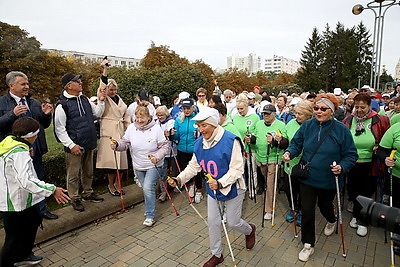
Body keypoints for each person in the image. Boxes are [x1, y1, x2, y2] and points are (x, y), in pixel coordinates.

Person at [167, 107, 256, 267]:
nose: (200, 130)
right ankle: (217, 254)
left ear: (213, 124)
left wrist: (221, 182)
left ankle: (249, 230)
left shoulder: (231, 140)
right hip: (214, 189)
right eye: (199, 126)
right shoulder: (200, 143)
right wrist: (178, 179)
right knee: (213, 222)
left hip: (233, 187)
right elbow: (194, 166)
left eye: (204, 126)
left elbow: (237, 168)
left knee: (233, 222)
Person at [282, 93, 358, 262]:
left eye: (323, 109)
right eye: (316, 107)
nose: (318, 111)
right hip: (307, 177)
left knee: (325, 207)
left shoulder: (341, 129)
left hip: (329, 179)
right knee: (307, 210)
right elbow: (296, 143)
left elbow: (351, 155)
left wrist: (342, 167)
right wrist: (289, 152)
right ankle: (308, 244)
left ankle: (331, 220)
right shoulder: (308, 125)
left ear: (332, 111)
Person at [0, 117, 70, 267]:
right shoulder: (19, 152)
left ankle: (23, 255)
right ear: (31, 135)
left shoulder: (13, 143)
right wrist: (52, 190)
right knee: (12, 238)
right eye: (37, 133)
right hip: (14, 203)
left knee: (33, 220)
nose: (37, 136)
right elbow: (26, 181)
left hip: (24, 200)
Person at [0, 71, 58, 220]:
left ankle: (42, 210)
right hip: (16, 152)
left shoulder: (33, 102)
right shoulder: (2, 103)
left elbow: (43, 126)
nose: (27, 87)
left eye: (27, 83)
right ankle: (24, 212)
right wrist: (12, 114)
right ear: (11, 85)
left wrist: (46, 115)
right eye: (23, 84)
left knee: (37, 178)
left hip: (35, 149)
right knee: (21, 181)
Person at [54, 72, 106, 212]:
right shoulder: (62, 105)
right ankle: (74, 198)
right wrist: (71, 145)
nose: (81, 83)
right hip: (75, 146)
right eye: (77, 81)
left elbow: (97, 113)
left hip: (88, 142)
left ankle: (88, 193)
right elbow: (60, 129)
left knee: (88, 171)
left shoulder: (84, 99)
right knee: (73, 174)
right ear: (69, 86)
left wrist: (101, 100)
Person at [111, 102, 168, 226]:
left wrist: (156, 157)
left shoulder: (156, 129)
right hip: (138, 165)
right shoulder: (132, 128)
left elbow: (164, 147)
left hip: (153, 164)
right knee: (145, 189)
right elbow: (125, 143)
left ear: (148, 117)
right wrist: (116, 145)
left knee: (148, 188)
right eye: (137, 117)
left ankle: (150, 215)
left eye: (142, 117)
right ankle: (149, 207)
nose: (139, 120)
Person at [342, 93, 389, 236]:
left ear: (369, 105)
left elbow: (388, 140)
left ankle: (363, 220)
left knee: (367, 191)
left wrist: (380, 146)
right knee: (354, 190)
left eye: (363, 107)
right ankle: (356, 215)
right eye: (357, 107)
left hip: (371, 162)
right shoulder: (348, 119)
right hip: (352, 162)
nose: (359, 110)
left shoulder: (380, 120)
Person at [95, 60, 131, 196]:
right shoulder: (104, 98)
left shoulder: (120, 99)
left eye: (115, 89)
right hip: (109, 132)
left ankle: (118, 183)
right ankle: (110, 185)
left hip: (120, 132)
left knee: (122, 163)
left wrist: (131, 131)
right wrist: (105, 70)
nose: (113, 92)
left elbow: (126, 116)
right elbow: (102, 86)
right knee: (111, 164)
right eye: (111, 89)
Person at [279, 100, 314, 226]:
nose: (297, 116)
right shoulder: (290, 123)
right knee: (290, 190)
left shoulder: (313, 125)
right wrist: (281, 140)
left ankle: (304, 211)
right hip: (290, 163)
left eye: (300, 114)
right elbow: (286, 141)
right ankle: (294, 209)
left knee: (304, 191)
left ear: (309, 115)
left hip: (306, 165)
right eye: (296, 113)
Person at [248, 104, 285, 219]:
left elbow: (284, 142)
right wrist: (250, 139)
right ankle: (273, 191)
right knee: (267, 181)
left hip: (274, 158)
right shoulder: (259, 123)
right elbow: (256, 138)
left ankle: (269, 210)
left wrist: (275, 141)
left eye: (268, 113)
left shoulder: (281, 125)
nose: (265, 115)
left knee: (270, 183)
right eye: (264, 113)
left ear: (274, 114)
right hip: (261, 158)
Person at [170, 98, 203, 203]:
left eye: (188, 108)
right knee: (185, 170)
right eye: (184, 108)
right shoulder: (179, 119)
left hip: (195, 150)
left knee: (196, 171)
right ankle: (191, 186)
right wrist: (171, 134)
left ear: (193, 107)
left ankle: (198, 190)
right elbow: (176, 136)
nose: (186, 110)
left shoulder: (198, 119)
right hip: (182, 149)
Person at [232, 99, 260, 198]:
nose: (240, 111)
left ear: (247, 107)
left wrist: (252, 137)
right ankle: (241, 191)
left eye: (241, 109)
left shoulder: (255, 117)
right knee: (240, 170)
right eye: (238, 109)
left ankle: (253, 189)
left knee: (252, 169)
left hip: (251, 148)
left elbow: (258, 131)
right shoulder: (235, 117)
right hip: (239, 149)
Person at [155, 105, 177, 201]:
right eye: (158, 115)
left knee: (174, 170)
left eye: (162, 115)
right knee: (162, 173)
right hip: (162, 152)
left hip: (172, 151)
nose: (160, 117)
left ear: (166, 114)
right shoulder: (156, 123)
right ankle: (164, 192)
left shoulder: (171, 121)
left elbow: (171, 129)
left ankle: (176, 185)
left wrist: (170, 132)